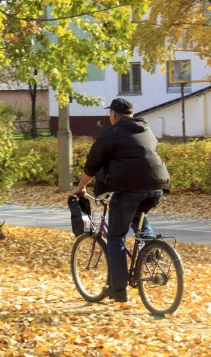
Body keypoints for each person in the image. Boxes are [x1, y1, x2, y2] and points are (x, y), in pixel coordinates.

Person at [71, 98, 170, 303]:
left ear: (113, 114)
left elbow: (92, 164)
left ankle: (118, 289)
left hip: (128, 190)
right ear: (131, 114)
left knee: (115, 238)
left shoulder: (111, 133)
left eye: (110, 114)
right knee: (137, 214)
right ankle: (151, 249)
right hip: (156, 187)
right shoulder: (146, 129)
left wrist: (81, 187)